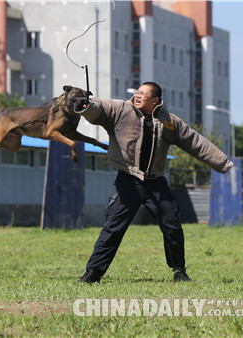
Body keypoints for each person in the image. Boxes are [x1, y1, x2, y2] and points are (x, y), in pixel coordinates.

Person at [75, 81, 233, 284]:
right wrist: (86, 106)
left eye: (143, 94)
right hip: (128, 181)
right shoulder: (121, 110)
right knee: (113, 228)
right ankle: (93, 274)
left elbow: (194, 142)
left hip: (156, 183)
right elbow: (100, 108)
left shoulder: (169, 121)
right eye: (137, 92)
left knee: (172, 226)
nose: (137, 95)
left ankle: (179, 272)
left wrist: (222, 163)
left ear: (155, 100)